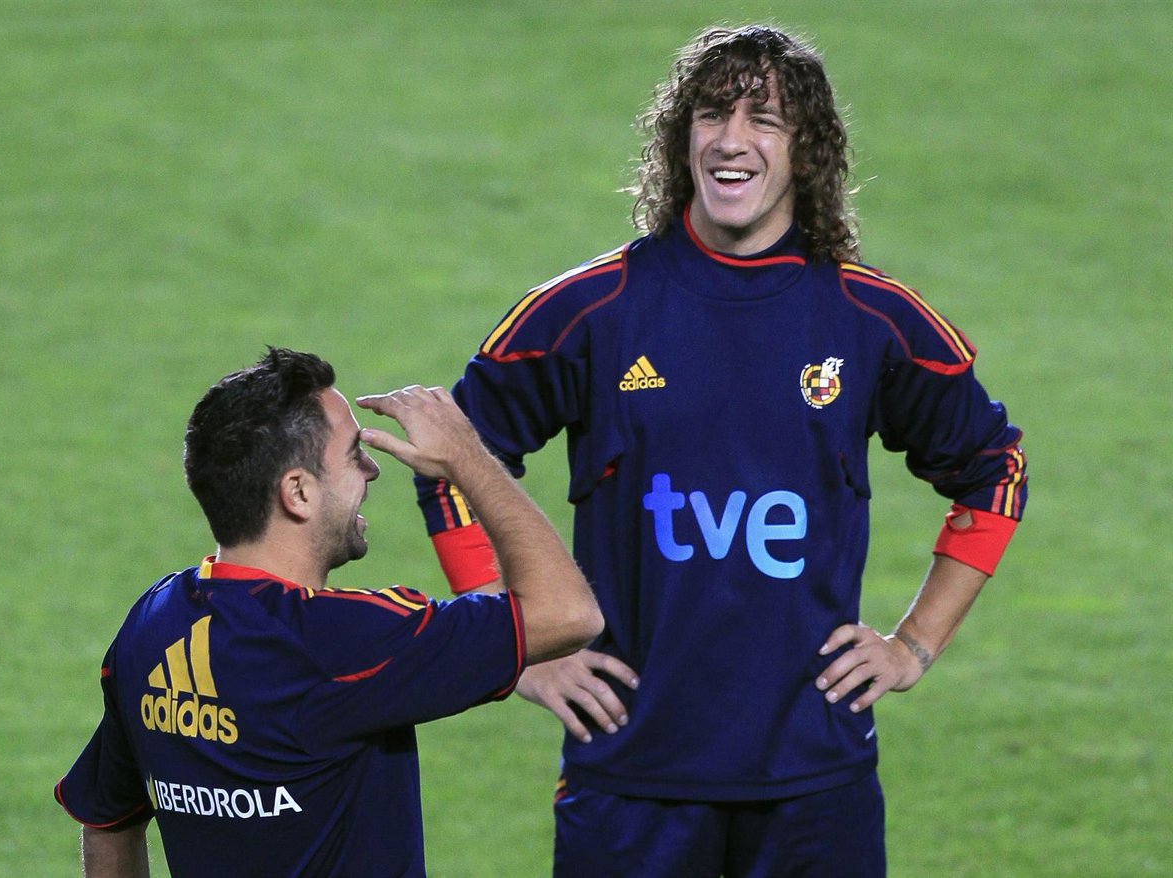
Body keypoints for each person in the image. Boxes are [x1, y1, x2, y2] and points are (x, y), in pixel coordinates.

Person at [414, 24, 1028, 877]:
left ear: (807, 152)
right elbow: (455, 460)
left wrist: (913, 644)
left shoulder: (872, 321)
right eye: (712, 114)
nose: (731, 139)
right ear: (682, 138)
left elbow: (995, 470)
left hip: (816, 782)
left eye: (764, 119)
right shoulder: (590, 311)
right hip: (630, 778)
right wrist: (508, 646)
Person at [54, 347, 603, 878]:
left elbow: (107, 819)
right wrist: (466, 458)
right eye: (353, 454)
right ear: (297, 492)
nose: (371, 469)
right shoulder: (343, 642)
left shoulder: (151, 625)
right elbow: (568, 613)